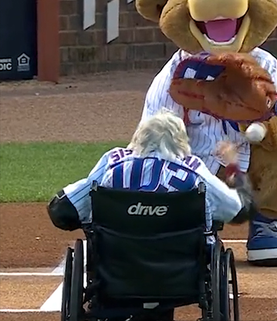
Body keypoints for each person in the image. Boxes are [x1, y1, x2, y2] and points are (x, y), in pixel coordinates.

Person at [46, 109, 254, 321]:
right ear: (181, 142)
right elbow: (239, 210)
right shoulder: (194, 171)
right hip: (181, 278)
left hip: (115, 272)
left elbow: (61, 211)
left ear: (139, 137)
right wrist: (233, 167)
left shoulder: (112, 164)